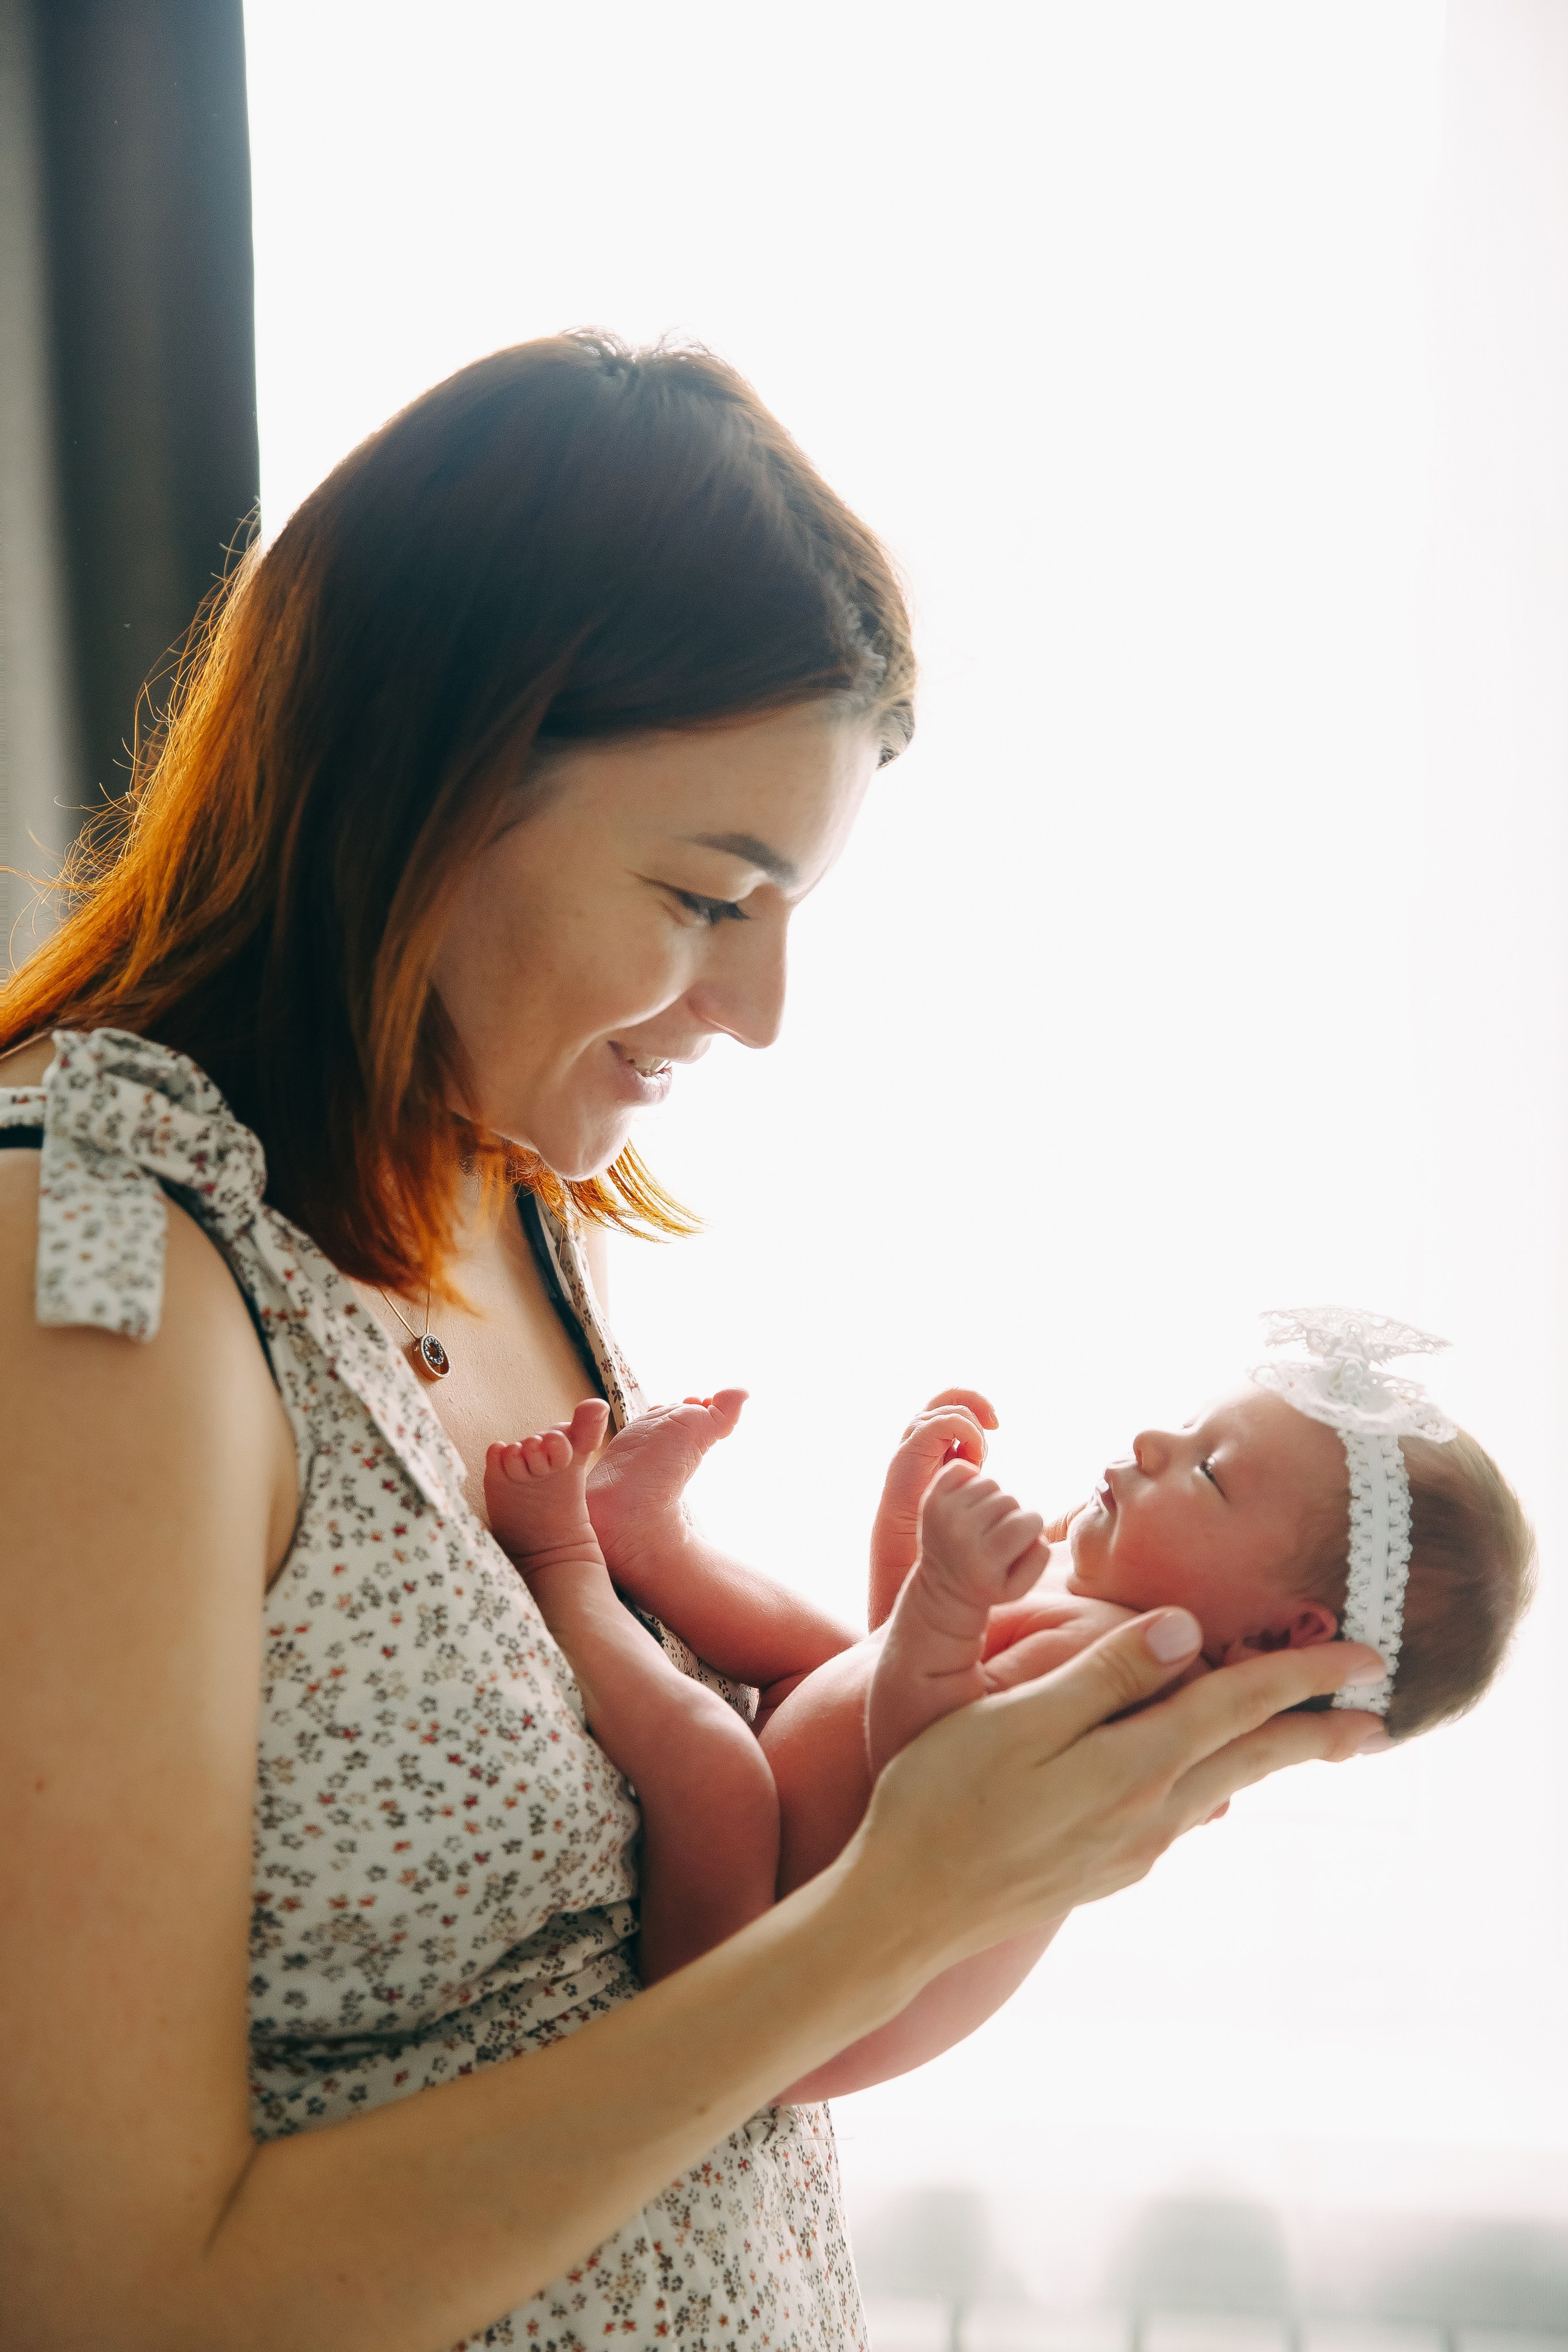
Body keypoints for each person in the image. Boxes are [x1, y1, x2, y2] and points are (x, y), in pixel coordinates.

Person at [0, 333, 1387, 2352]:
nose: (760, 1012)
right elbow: (111, 2300)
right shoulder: (100, 1278)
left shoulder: (491, 1179)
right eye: (708, 897)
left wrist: (993, 1768)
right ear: (426, 781)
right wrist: (904, 1904)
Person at [483, 1308, 1533, 2046]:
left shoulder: (1132, 1690)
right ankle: (644, 1537)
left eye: (1208, 1470)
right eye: (1188, 1425)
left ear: (1277, 1637)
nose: (1153, 1441)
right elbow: (889, 1655)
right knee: (825, 1649)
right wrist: (912, 1521)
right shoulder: (1108, 1630)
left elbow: (930, 1769)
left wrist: (950, 1591)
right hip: (803, 1900)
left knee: (715, 1765)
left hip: (740, 1965)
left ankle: (566, 1565)